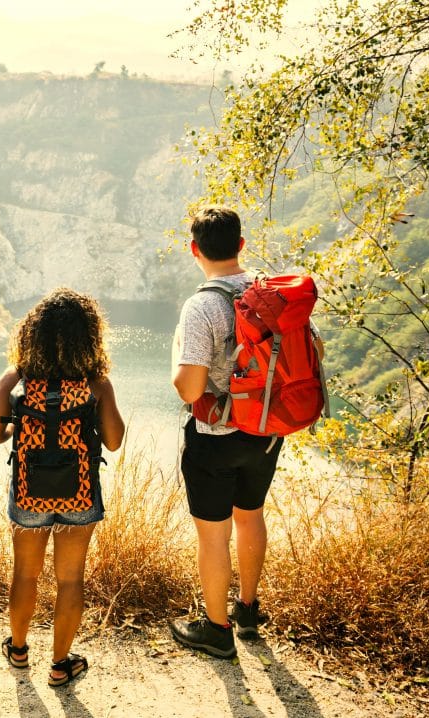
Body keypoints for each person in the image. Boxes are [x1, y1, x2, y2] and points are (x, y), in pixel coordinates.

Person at [0, 288, 125, 687]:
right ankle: (61, 663)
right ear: (89, 337)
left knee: (25, 574)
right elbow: (113, 441)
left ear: (33, 335)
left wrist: (22, 424)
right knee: (69, 579)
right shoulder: (96, 384)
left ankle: (19, 649)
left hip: (29, 490)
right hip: (79, 493)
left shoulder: (18, 379)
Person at [169, 205, 283, 659]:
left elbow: (189, 388)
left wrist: (175, 354)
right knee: (250, 514)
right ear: (240, 245)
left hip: (214, 439)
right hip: (266, 431)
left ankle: (217, 630)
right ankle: (249, 612)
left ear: (194, 250)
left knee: (214, 535)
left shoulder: (202, 305)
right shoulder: (270, 294)